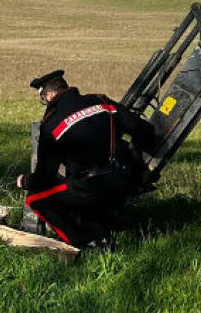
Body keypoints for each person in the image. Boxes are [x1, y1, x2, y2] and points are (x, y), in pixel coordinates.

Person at [17, 70, 157, 248]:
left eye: (43, 99)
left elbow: (46, 177)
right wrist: (136, 165)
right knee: (75, 185)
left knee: (36, 197)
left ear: (50, 95)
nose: (44, 104)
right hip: (124, 178)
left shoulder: (51, 126)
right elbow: (142, 129)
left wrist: (26, 181)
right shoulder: (101, 101)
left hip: (91, 188)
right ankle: (99, 229)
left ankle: (87, 241)